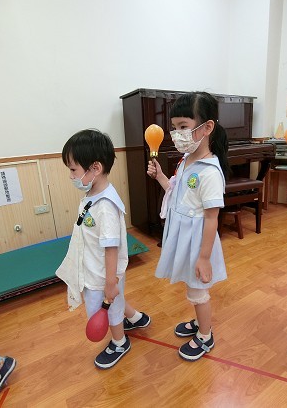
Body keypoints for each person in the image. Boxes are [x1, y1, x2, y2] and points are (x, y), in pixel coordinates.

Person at [56, 129, 151, 369]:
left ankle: (119, 342)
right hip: (96, 268)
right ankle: (136, 318)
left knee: (110, 310)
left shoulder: (106, 205)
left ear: (95, 168)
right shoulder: (94, 194)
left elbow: (111, 248)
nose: (71, 176)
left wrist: (110, 282)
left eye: (73, 170)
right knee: (116, 302)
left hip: (102, 275)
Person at [146, 91, 230, 361]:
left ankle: (205, 336)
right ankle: (199, 321)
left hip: (197, 242)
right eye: (174, 127)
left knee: (197, 290)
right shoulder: (186, 159)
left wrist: (204, 258)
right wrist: (161, 176)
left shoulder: (210, 172)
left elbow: (211, 218)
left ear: (207, 127)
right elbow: (175, 194)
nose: (176, 134)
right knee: (192, 287)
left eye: (183, 126)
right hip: (183, 236)